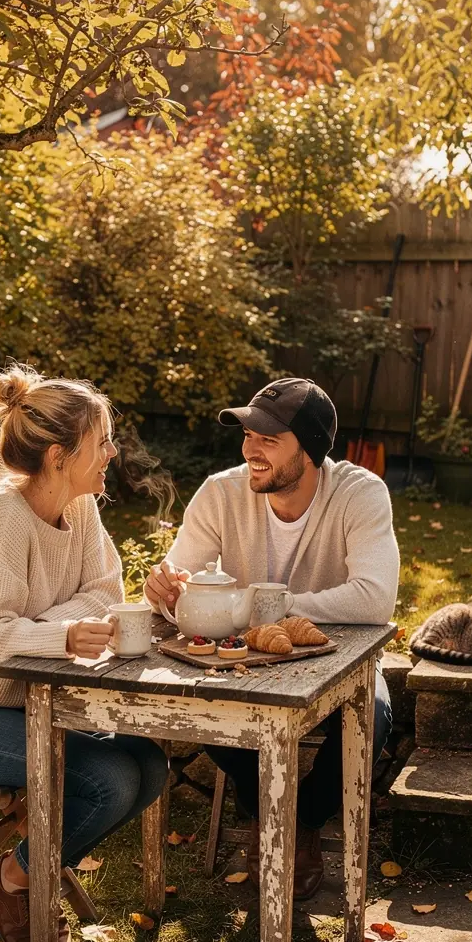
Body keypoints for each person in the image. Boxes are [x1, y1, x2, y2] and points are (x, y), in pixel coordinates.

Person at [0, 364, 169, 942]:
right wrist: (63, 632)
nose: (112, 453)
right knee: (110, 782)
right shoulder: (0, 520)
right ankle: (15, 878)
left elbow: (106, 589)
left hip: (22, 703)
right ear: (58, 456)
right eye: (102, 442)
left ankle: (18, 872)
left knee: (149, 764)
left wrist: (47, 627)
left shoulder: (80, 506)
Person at [145, 377, 398, 899]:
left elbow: (374, 599)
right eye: (247, 436)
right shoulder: (220, 493)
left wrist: (265, 609)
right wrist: (164, 593)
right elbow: (181, 585)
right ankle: (269, 809)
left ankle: (301, 821)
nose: (250, 450)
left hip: (337, 657)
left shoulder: (360, 493)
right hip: (241, 661)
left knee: (371, 715)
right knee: (196, 699)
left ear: (310, 449)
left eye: (268, 439)